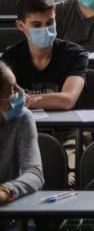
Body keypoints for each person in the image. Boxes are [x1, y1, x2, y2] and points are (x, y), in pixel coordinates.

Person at [2, 0, 88, 111]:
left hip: (65, 128)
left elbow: (67, 100)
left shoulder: (75, 55)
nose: (45, 29)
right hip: (23, 128)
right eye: (36, 25)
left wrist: (20, 101)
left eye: (50, 23)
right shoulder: (10, 57)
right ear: (21, 25)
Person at [0, 61, 43, 213]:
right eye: (12, 89)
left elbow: (35, 173)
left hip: (10, 212)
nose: (21, 93)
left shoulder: (22, 118)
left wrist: (6, 191)